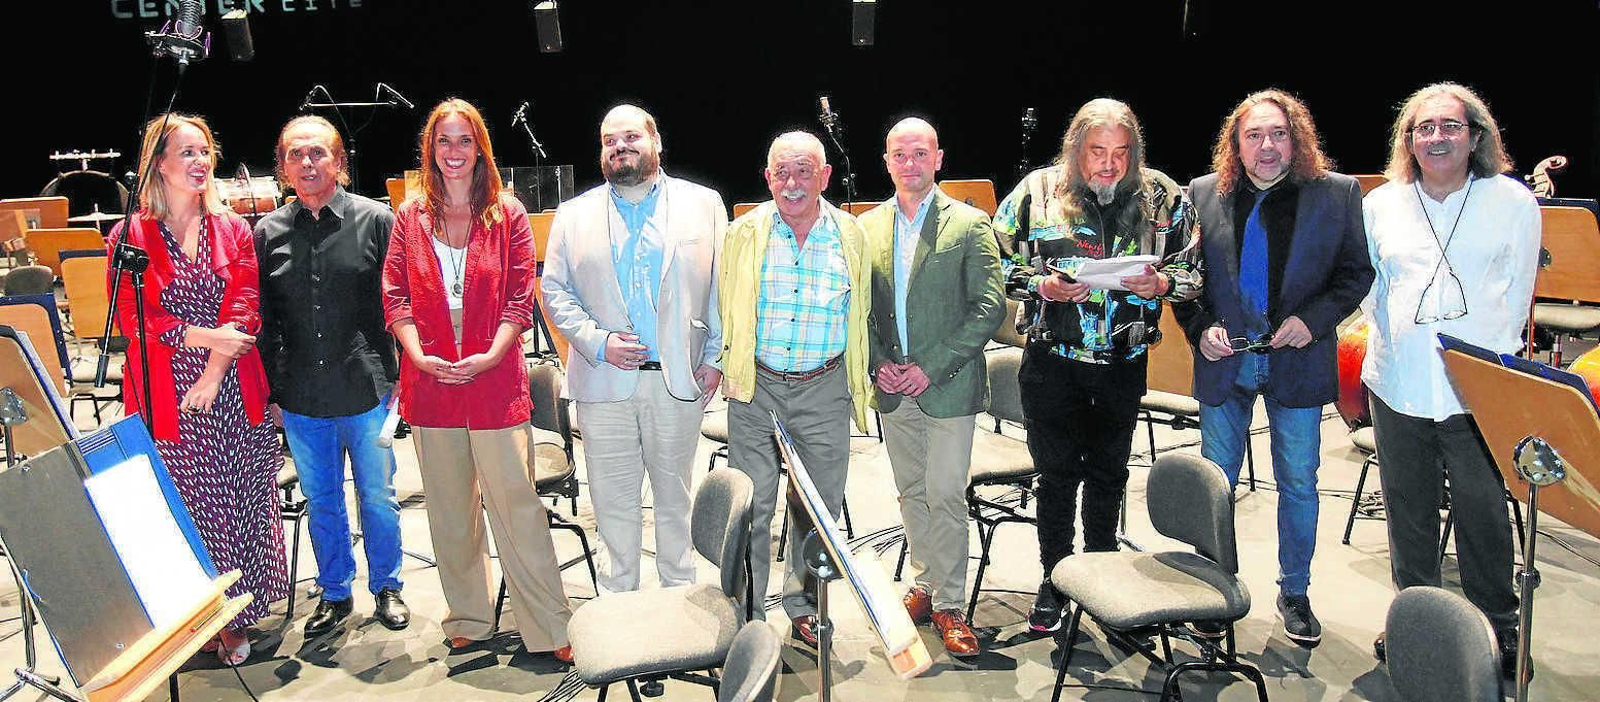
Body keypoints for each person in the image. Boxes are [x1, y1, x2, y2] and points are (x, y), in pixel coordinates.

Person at [991, 98, 1201, 632]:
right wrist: (1039, 284)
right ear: (1076, 150)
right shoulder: (1037, 191)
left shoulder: (1163, 197)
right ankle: (1056, 579)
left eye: (1121, 153)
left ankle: (1105, 574)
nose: (1109, 165)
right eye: (1097, 152)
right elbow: (993, 264)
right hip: (1051, 361)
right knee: (1056, 476)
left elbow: (1196, 271)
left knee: (1109, 474)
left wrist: (1164, 284)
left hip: (1122, 360)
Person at [1177, 89, 1373, 646]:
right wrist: (1199, 329)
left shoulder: (1336, 195)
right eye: (1254, 135)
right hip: (1227, 364)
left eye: (1279, 134)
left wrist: (1313, 322)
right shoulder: (1201, 195)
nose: (1267, 145)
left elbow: (1355, 275)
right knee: (1215, 484)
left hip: (1297, 361)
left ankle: (1296, 590)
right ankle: (1213, 590)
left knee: (1299, 484)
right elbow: (1183, 280)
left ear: (1297, 139)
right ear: (1235, 145)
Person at [380, 98, 573, 661]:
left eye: (465, 141)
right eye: (445, 141)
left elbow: (519, 294)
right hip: (430, 372)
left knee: (515, 504)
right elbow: (395, 293)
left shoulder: (507, 213)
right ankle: (469, 615)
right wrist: (415, 354)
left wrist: (491, 355)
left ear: (481, 148)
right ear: (430, 150)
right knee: (448, 507)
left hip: (494, 369)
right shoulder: (409, 216)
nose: (455, 152)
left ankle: (548, 625)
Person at [1361, 83, 1539, 678]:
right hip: (1397, 382)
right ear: (1407, 140)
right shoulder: (1381, 203)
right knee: (1408, 513)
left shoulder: (1512, 202)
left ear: (1475, 136)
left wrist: (1496, 371)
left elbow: (1518, 295)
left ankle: (1499, 627)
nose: (1435, 137)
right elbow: (1371, 288)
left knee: (1483, 511)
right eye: (1423, 128)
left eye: (1449, 127)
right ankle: (1415, 620)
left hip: (1477, 388)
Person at [106, 113, 287, 666]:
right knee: (189, 506)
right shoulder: (128, 236)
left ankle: (234, 615)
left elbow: (246, 308)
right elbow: (136, 322)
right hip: (166, 393)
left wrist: (211, 371)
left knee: (239, 500)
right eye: (186, 152)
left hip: (229, 387)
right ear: (156, 162)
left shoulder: (231, 228)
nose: (200, 162)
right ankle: (197, 615)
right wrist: (205, 337)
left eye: (204, 150)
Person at [541, 104, 725, 594]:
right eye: (609, 140)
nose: (620, 147)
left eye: (630, 137)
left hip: (677, 381)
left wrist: (715, 359)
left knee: (674, 504)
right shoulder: (572, 214)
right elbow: (554, 291)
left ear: (655, 142)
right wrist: (597, 341)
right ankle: (620, 612)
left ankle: (680, 605)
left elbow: (722, 289)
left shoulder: (703, 204)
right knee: (613, 507)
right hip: (603, 384)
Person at [255, 115, 409, 637]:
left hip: (367, 388)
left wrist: (403, 377)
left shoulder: (377, 220)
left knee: (378, 499)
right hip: (300, 397)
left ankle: (387, 587)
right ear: (282, 167)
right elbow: (265, 322)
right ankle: (335, 591)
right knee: (322, 501)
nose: (306, 163)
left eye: (318, 153)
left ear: (339, 163)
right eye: (295, 155)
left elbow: (400, 303)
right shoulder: (267, 232)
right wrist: (274, 390)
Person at [717, 131, 872, 645]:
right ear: (767, 178)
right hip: (757, 390)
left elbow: (865, 312)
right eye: (781, 172)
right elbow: (723, 307)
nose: (792, 183)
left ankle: (804, 605)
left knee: (817, 509)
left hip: (824, 389)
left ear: (825, 177)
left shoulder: (852, 235)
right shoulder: (742, 234)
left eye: (804, 171)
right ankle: (751, 612)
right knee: (753, 506)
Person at [860, 118, 1003, 656]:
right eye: (900, 154)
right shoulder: (868, 227)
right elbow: (862, 311)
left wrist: (929, 366)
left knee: (944, 493)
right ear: (887, 160)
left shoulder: (969, 224)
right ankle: (923, 583)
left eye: (919, 153)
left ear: (938, 158)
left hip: (947, 386)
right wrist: (878, 364)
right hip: (894, 387)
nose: (909, 163)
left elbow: (988, 309)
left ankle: (950, 603)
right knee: (911, 491)